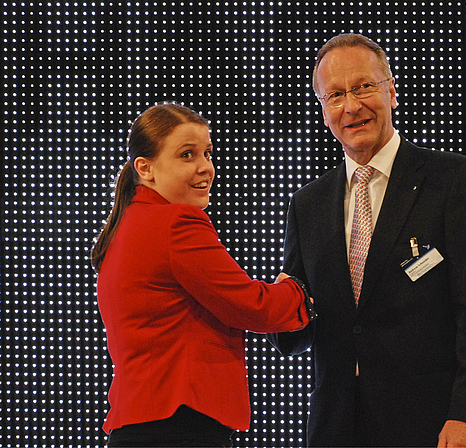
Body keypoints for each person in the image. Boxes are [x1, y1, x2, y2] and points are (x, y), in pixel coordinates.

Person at [267, 33, 466, 447]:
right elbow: (296, 330)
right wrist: (264, 305)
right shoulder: (307, 204)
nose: (352, 106)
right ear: (324, 112)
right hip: (335, 429)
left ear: (392, 91)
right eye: (336, 95)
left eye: (363, 87)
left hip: (432, 427)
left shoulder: (454, 180)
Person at [90, 103, 315, 447]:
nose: (205, 167)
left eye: (207, 153)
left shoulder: (124, 229)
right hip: (180, 427)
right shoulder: (176, 224)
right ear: (145, 168)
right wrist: (302, 290)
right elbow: (253, 306)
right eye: (187, 155)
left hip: (140, 425)